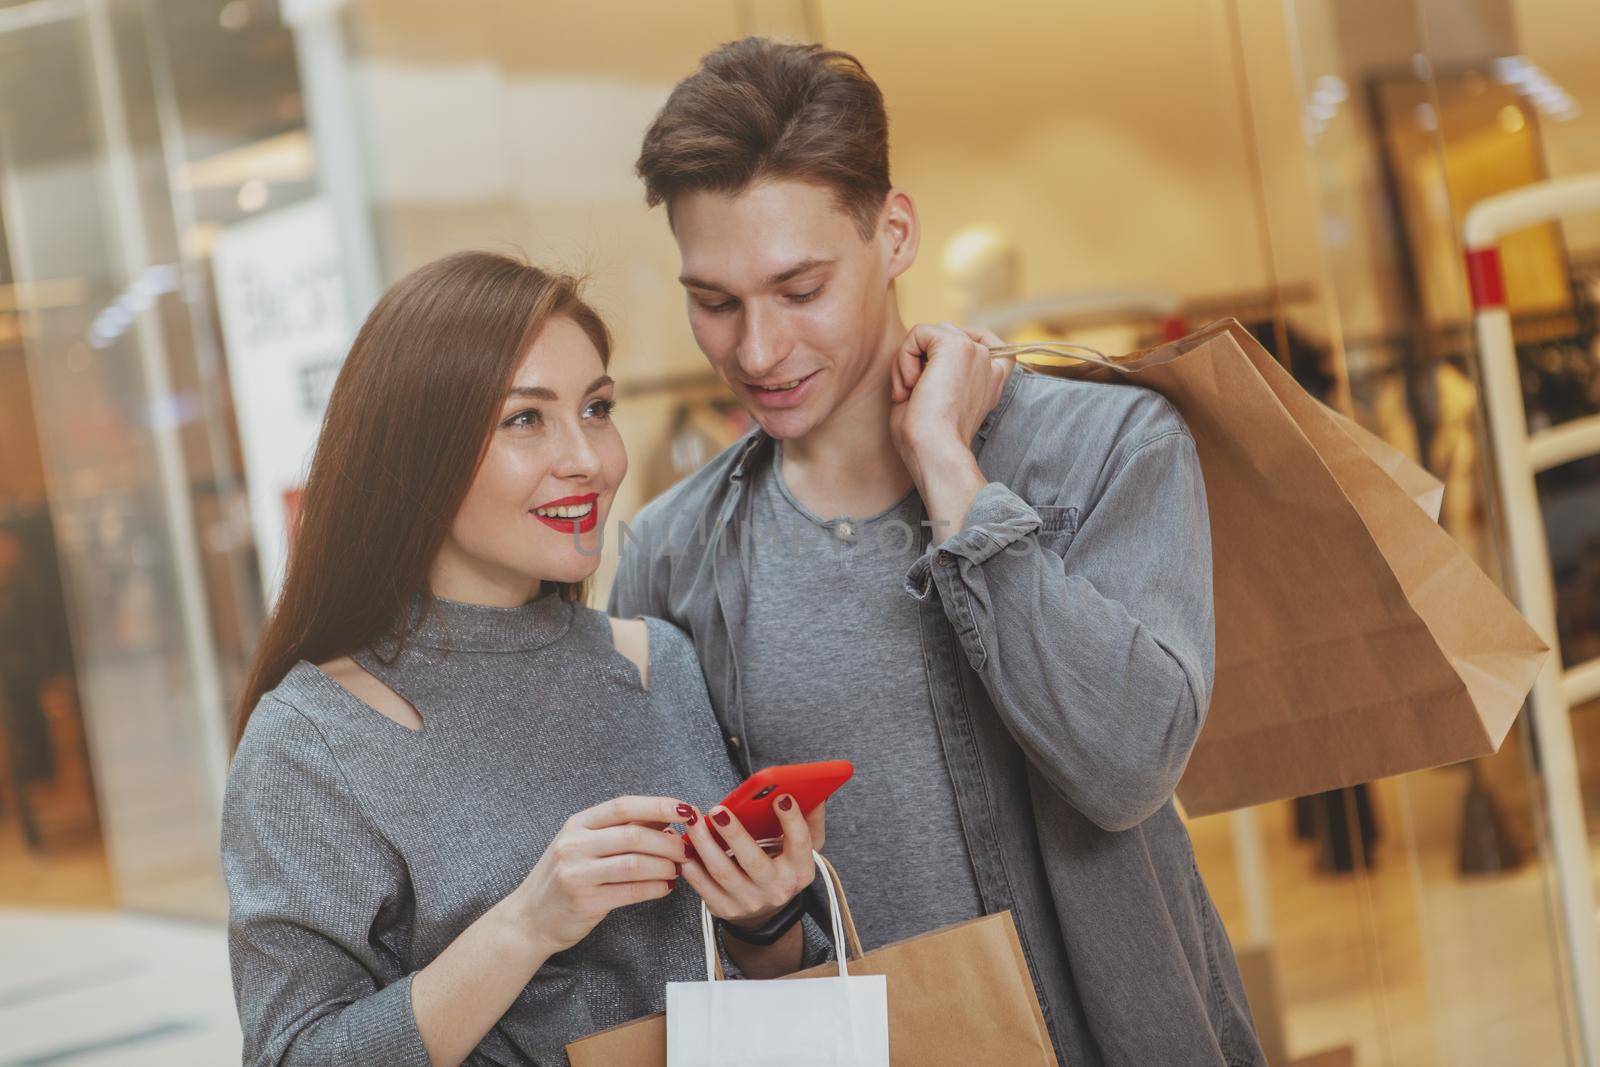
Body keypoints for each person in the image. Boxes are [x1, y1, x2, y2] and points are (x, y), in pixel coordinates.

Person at [610, 38, 1266, 1066]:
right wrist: (760, 918)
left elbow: (1127, 763)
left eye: (799, 287)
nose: (757, 350)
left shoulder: (1105, 448)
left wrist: (951, 475)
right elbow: (678, 922)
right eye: (715, 301)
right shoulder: (671, 553)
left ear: (896, 233)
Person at [222, 252, 829, 1067]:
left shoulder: (656, 660)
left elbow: (772, 989)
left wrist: (767, 919)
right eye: (525, 419)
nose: (587, 459)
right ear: (416, 456)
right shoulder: (314, 736)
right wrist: (527, 924)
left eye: (597, 407)